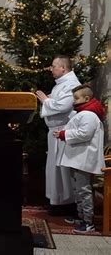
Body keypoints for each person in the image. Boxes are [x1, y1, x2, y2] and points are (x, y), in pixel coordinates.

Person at [53, 84, 105, 233]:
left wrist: (64, 134)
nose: (74, 101)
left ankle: (88, 222)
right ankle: (81, 216)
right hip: (78, 158)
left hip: (83, 159)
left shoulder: (88, 114)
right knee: (78, 189)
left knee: (83, 190)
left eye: (76, 98)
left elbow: (84, 133)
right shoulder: (84, 113)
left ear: (86, 98)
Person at [36, 55, 81, 215]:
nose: (51, 69)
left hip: (64, 130)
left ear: (63, 68)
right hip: (55, 131)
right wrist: (48, 100)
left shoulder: (71, 84)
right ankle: (57, 201)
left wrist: (46, 101)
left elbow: (63, 106)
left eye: (54, 66)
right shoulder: (61, 84)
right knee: (55, 168)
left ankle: (67, 203)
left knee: (63, 168)